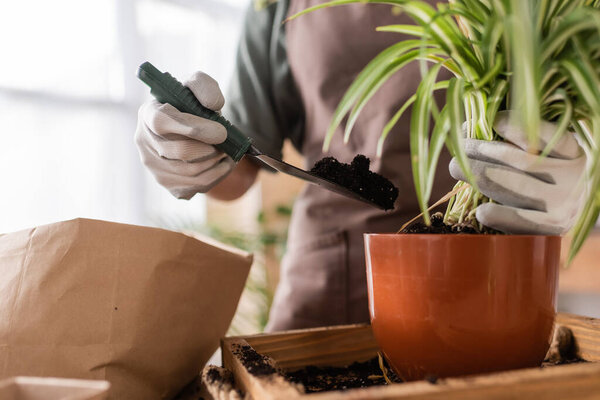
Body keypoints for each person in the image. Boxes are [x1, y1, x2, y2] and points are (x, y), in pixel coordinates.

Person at [135, 0, 587, 332]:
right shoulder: (273, 6)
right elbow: (238, 176)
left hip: (486, 281)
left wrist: (583, 171)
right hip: (330, 290)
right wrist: (188, 148)